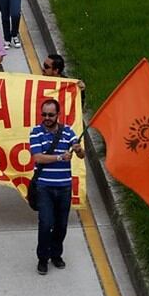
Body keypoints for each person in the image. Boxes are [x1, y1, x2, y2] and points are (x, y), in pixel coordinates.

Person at [30, 98, 85, 275]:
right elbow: (38, 158)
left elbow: (82, 155)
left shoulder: (68, 132)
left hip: (64, 187)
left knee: (61, 225)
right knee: (46, 224)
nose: (46, 117)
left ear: (58, 115)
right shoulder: (36, 132)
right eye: (44, 114)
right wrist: (61, 157)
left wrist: (78, 149)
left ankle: (56, 254)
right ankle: (42, 258)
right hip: (44, 187)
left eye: (50, 115)